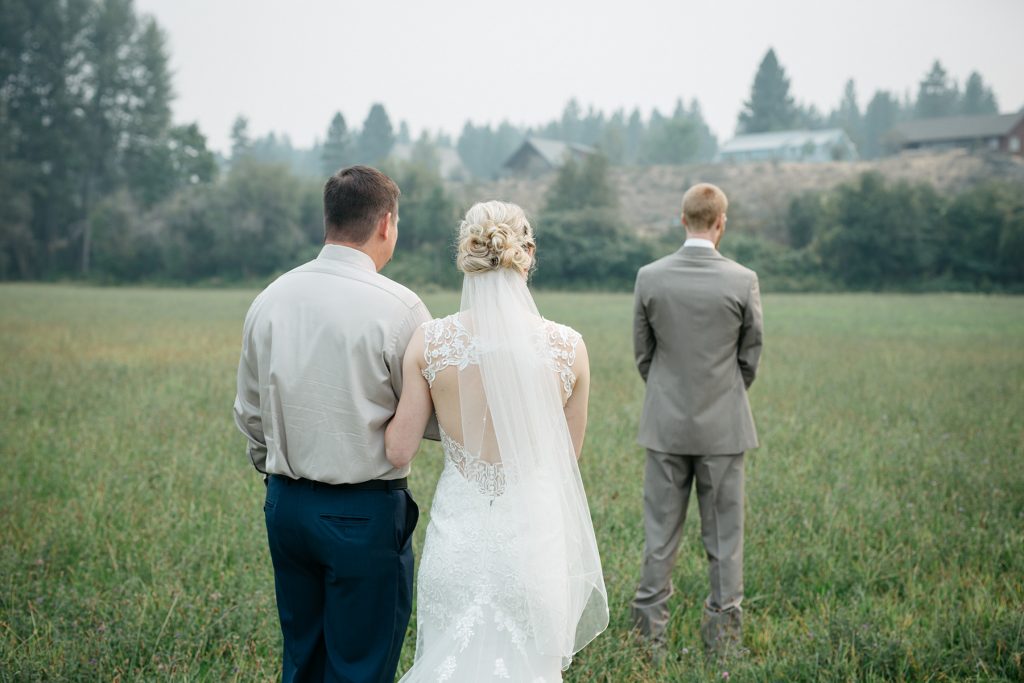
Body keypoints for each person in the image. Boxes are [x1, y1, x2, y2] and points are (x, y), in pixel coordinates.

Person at [385, 201, 609, 682]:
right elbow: (565, 461)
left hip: (458, 540)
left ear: (467, 254)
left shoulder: (430, 340)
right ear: (526, 253)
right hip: (533, 540)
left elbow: (398, 447)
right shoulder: (569, 348)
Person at [233, 165, 437, 683]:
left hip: (285, 505)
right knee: (362, 667)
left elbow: (250, 413)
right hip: (362, 513)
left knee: (302, 660)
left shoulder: (269, 298)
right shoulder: (400, 307)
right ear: (386, 223)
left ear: (328, 220)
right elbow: (427, 418)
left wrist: (278, 469)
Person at [630, 183, 763, 659]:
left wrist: (669, 394)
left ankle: (649, 644)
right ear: (721, 222)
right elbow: (751, 355)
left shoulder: (650, 277)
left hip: (665, 425)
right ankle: (724, 646)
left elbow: (643, 355)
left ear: (681, 219)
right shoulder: (742, 280)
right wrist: (723, 395)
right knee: (725, 540)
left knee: (659, 538)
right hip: (725, 428)